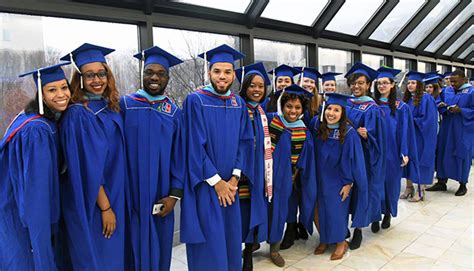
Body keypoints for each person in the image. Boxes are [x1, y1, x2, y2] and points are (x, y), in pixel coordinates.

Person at [180, 44, 255, 271]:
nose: (222, 77)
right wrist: (217, 182)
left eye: (227, 72)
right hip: (206, 187)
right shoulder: (195, 100)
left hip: (230, 188)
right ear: (209, 72)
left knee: (231, 243)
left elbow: (244, 142)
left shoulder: (238, 103)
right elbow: (194, 146)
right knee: (209, 246)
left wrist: (233, 179)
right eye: (217, 71)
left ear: (234, 75)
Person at [59, 43, 128, 270]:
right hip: (96, 202)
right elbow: (86, 169)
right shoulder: (78, 114)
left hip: (115, 193)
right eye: (89, 75)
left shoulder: (109, 106)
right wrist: (106, 208)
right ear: (79, 79)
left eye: (101, 74)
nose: (96, 80)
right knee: (101, 257)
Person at [0, 63, 71, 270]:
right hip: (23, 213)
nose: (61, 94)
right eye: (52, 90)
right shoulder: (36, 131)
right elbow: (36, 192)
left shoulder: (31, 118)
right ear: (40, 94)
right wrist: (40, 235)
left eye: (64, 87)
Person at [121, 46, 184, 271]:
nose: (154, 77)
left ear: (168, 77)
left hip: (161, 194)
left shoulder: (174, 113)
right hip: (129, 192)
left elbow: (179, 157)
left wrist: (174, 196)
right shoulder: (125, 105)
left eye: (161, 73)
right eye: (149, 72)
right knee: (130, 246)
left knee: (159, 247)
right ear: (142, 74)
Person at [311, 93, 367, 261]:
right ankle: (325, 239)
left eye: (336, 110)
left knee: (336, 212)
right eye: (329, 108)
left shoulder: (349, 133)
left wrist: (348, 182)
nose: (331, 113)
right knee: (318, 211)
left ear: (343, 113)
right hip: (319, 176)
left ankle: (341, 242)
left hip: (338, 179)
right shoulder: (318, 127)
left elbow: (353, 160)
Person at [267, 84, 316, 267]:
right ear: (282, 105)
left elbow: (304, 160)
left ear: (303, 109)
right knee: (260, 210)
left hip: (284, 180)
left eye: (297, 107)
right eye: (289, 106)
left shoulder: (303, 131)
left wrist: (295, 175)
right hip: (264, 176)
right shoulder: (272, 121)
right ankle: (252, 243)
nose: (293, 111)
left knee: (279, 212)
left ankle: (274, 248)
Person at [373, 67, 419, 231]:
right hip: (375, 152)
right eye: (379, 83)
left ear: (393, 85)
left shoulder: (401, 107)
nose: (382, 86)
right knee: (376, 184)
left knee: (391, 184)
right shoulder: (372, 105)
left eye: (385, 83)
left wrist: (404, 152)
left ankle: (387, 214)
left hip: (393, 152)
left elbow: (404, 131)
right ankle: (375, 216)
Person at [344, 62, 385, 249]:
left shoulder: (372, 108)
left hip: (364, 157)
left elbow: (380, 137)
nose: (356, 86)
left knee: (361, 191)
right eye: (353, 83)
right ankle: (343, 227)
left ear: (368, 85)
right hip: (345, 156)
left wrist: (369, 135)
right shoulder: (345, 103)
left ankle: (358, 230)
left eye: (361, 83)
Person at [235, 62, 271, 271]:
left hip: (258, 170)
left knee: (251, 211)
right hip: (240, 171)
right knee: (238, 212)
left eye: (260, 86)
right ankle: (236, 250)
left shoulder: (261, 112)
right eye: (252, 85)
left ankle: (248, 252)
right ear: (245, 87)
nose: (257, 89)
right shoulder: (237, 108)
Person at [429, 69, 474, 196]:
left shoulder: (471, 91)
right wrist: (444, 107)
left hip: (463, 128)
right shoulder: (447, 90)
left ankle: (462, 184)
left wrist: (462, 110)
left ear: (463, 79)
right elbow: (439, 103)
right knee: (443, 152)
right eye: (450, 81)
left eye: (455, 81)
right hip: (447, 127)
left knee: (461, 154)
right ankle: (441, 182)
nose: (452, 84)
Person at [400, 71, 437, 202]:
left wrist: (411, 121)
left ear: (419, 84)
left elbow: (429, 120)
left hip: (421, 137)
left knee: (420, 161)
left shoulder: (427, 99)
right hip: (409, 136)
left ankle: (421, 191)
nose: (410, 85)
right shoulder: (407, 99)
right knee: (407, 160)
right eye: (408, 83)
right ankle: (409, 187)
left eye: (413, 83)